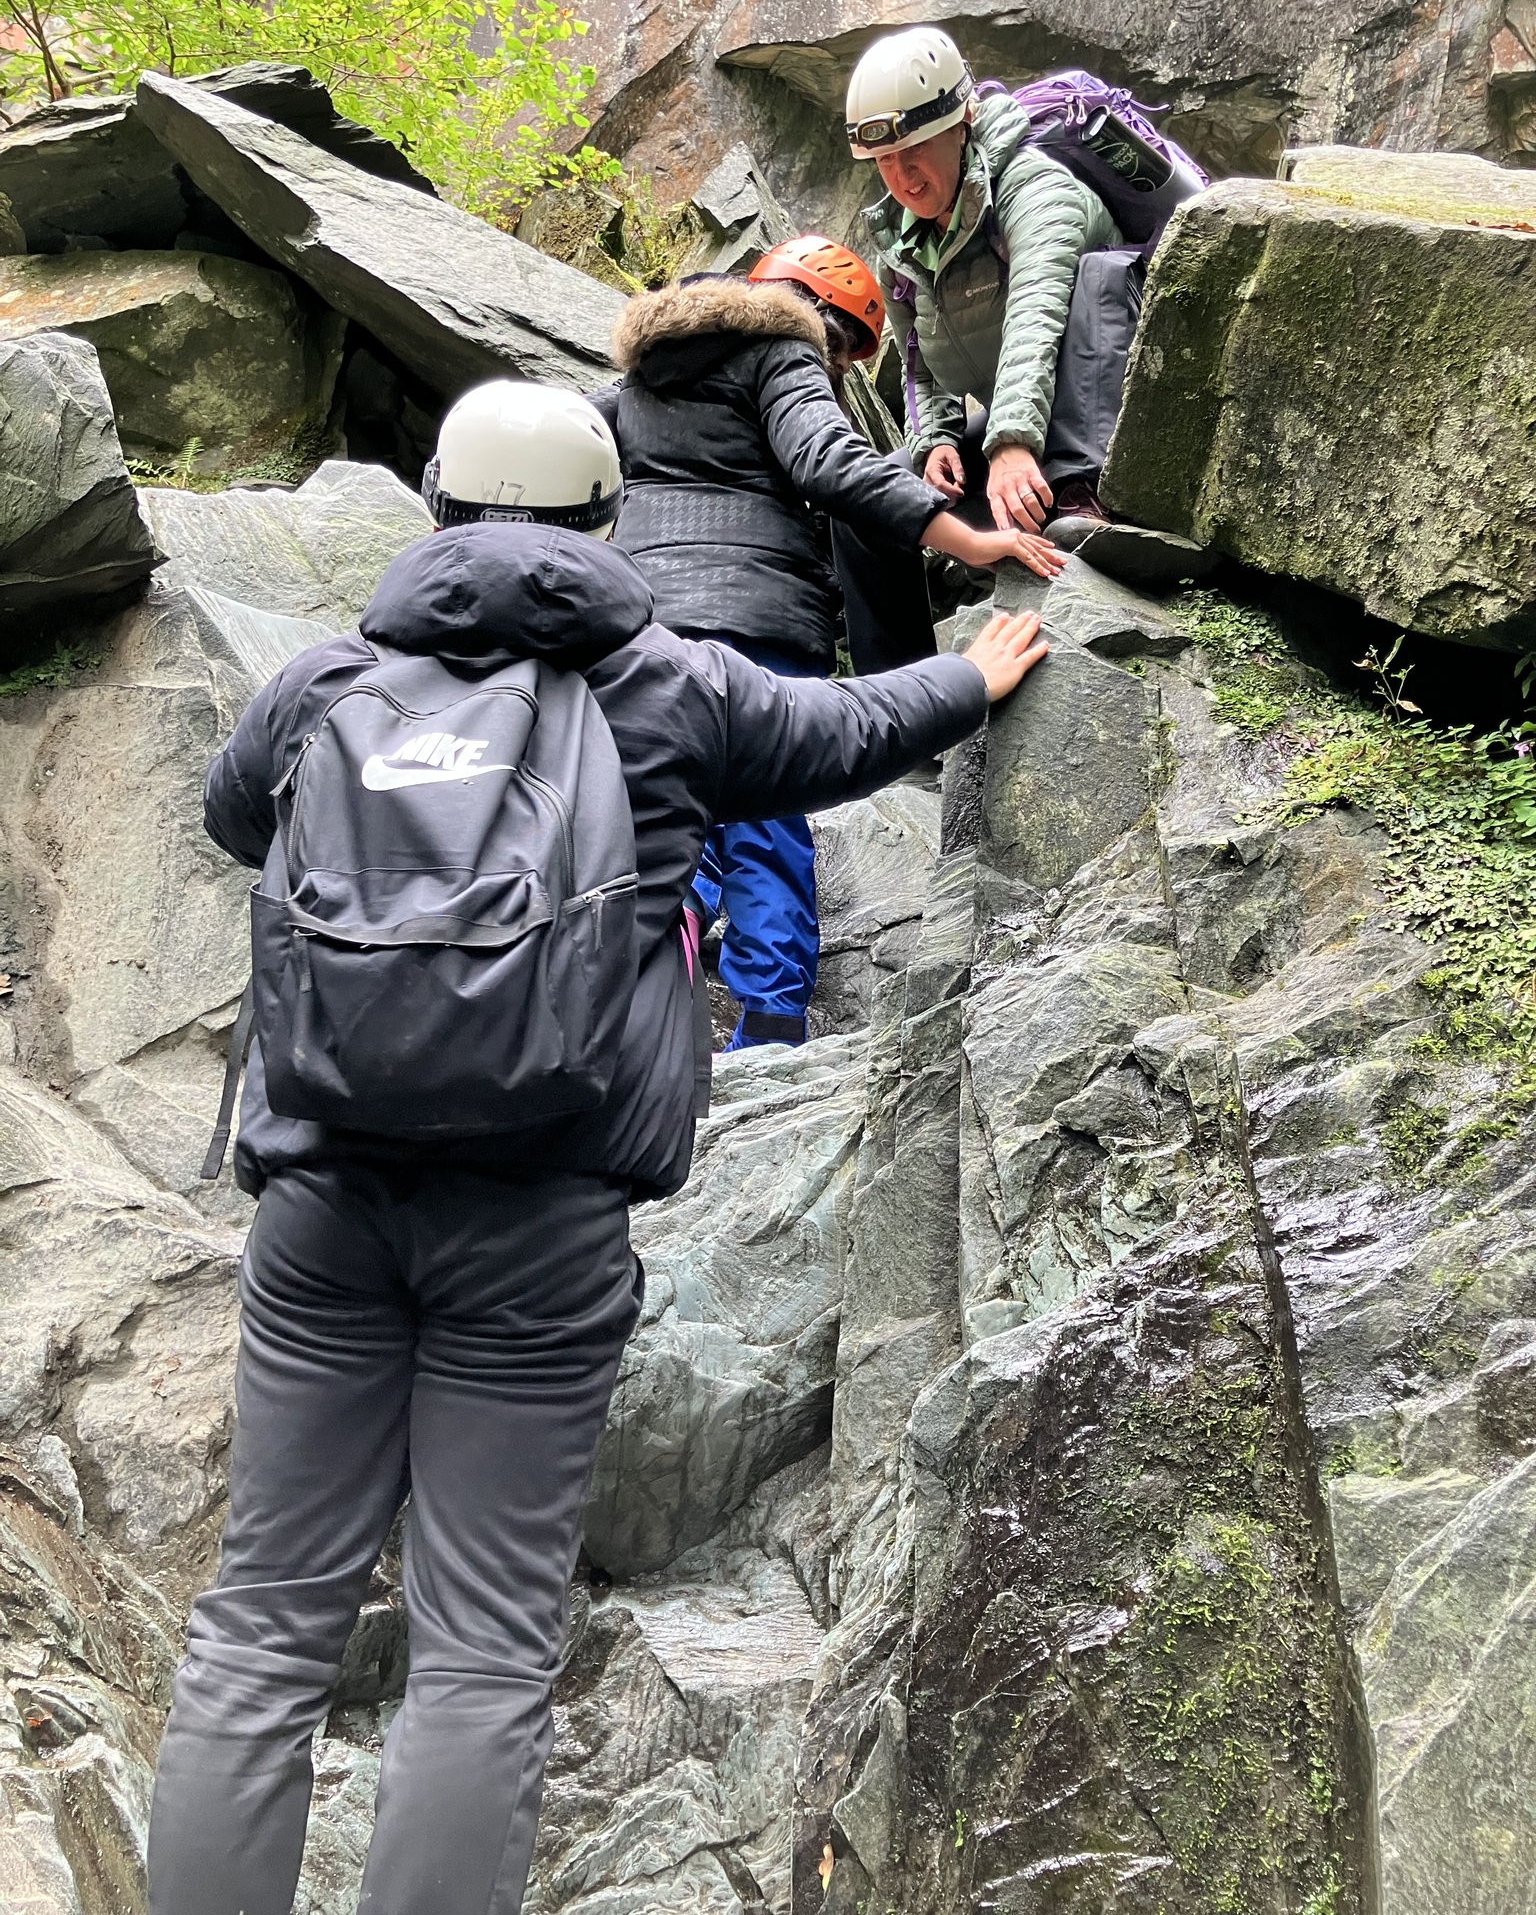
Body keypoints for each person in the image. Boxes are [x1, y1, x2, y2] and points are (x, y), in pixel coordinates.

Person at [143, 381, 1050, 1915]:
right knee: (483, 1652)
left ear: (435, 506)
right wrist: (972, 674)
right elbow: (845, 732)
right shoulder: (669, 688)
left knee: (261, 1630)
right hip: (543, 1221)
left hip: (324, 1209)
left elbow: (244, 826)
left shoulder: (322, 686)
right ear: (605, 519)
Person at [591, 237, 1062, 1049]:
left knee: (666, 805)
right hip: (752, 621)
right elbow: (827, 461)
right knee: (766, 816)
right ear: (818, 314)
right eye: (842, 354)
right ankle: (769, 1030)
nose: (838, 371)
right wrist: (965, 537)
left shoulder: (636, 380)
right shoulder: (782, 350)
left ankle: (663, 959)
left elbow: (547, 450)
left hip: (640, 628)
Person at [833, 25, 1138, 669]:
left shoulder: (1038, 190)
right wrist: (937, 440)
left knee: (1099, 276)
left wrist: (1009, 444)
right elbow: (918, 362)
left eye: (914, 150)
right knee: (864, 504)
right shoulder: (903, 245)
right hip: (1015, 426)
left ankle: (1085, 496)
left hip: (1097, 421)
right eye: (883, 161)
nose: (901, 177)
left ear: (961, 122)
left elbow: (1036, 309)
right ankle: (900, 697)